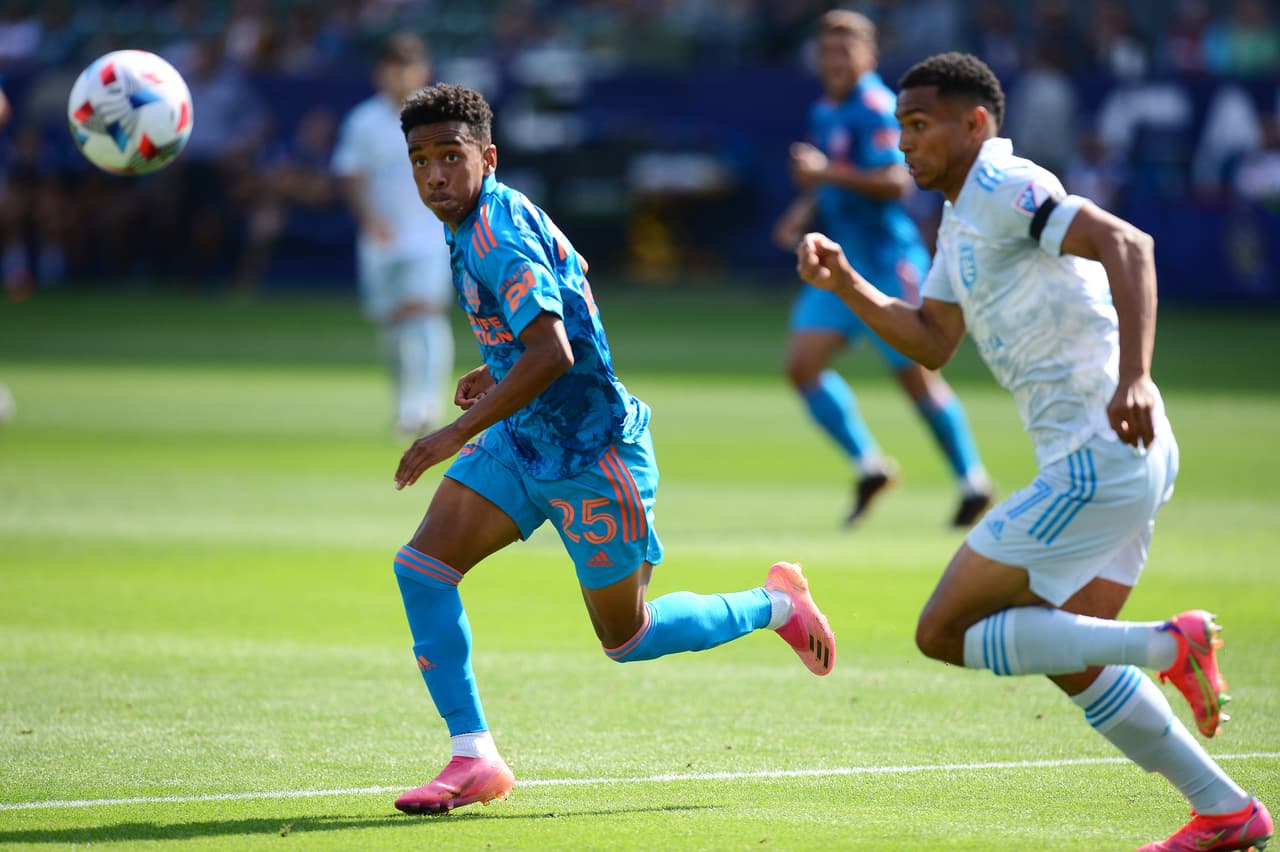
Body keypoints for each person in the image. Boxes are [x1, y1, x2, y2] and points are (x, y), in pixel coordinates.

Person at [796, 52, 1272, 852]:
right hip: (1121, 458)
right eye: (901, 126)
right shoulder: (960, 216)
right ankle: (1226, 810)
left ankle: (1171, 644)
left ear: (975, 123)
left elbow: (1128, 244)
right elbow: (933, 340)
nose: (904, 142)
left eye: (920, 124)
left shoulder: (1002, 184)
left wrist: (1136, 378)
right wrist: (847, 283)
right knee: (1072, 651)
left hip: (1100, 451)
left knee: (943, 631)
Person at [388, 82, 838, 815]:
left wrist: (453, 431)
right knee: (422, 569)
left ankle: (776, 604)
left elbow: (554, 352)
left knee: (629, 637)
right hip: (524, 438)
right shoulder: (484, 217)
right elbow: (576, 279)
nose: (434, 174)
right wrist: (502, 362)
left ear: (487, 158)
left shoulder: (495, 235)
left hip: (595, 457)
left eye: (450, 156)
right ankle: (474, 757)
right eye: (419, 160)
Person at [773, 10, 992, 529]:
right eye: (827, 51)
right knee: (802, 365)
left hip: (888, 263)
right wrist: (803, 209)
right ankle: (870, 467)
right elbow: (832, 175)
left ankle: (973, 482)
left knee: (915, 378)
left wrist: (824, 173)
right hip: (840, 263)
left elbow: (897, 182)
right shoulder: (827, 109)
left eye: (845, 50)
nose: (834, 60)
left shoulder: (878, 108)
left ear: (869, 56)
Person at [332, 32, 454, 435]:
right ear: (379, 73)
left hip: (430, 236)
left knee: (424, 313)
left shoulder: (438, 120)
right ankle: (404, 404)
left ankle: (427, 404)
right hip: (381, 241)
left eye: (407, 67)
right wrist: (369, 219)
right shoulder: (363, 121)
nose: (399, 76)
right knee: (392, 327)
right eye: (392, 68)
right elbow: (351, 174)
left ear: (423, 71)